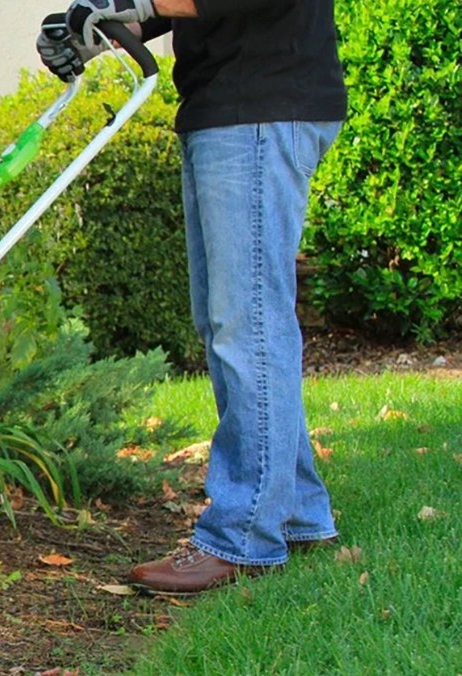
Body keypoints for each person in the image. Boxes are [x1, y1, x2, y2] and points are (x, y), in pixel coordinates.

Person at [37, 0, 347, 595]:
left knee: (248, 328)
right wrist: (90, 29)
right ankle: (297, 514)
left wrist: (133, 4)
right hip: (231, 108)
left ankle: (243, 536)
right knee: (232, 323)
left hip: (259, 106)